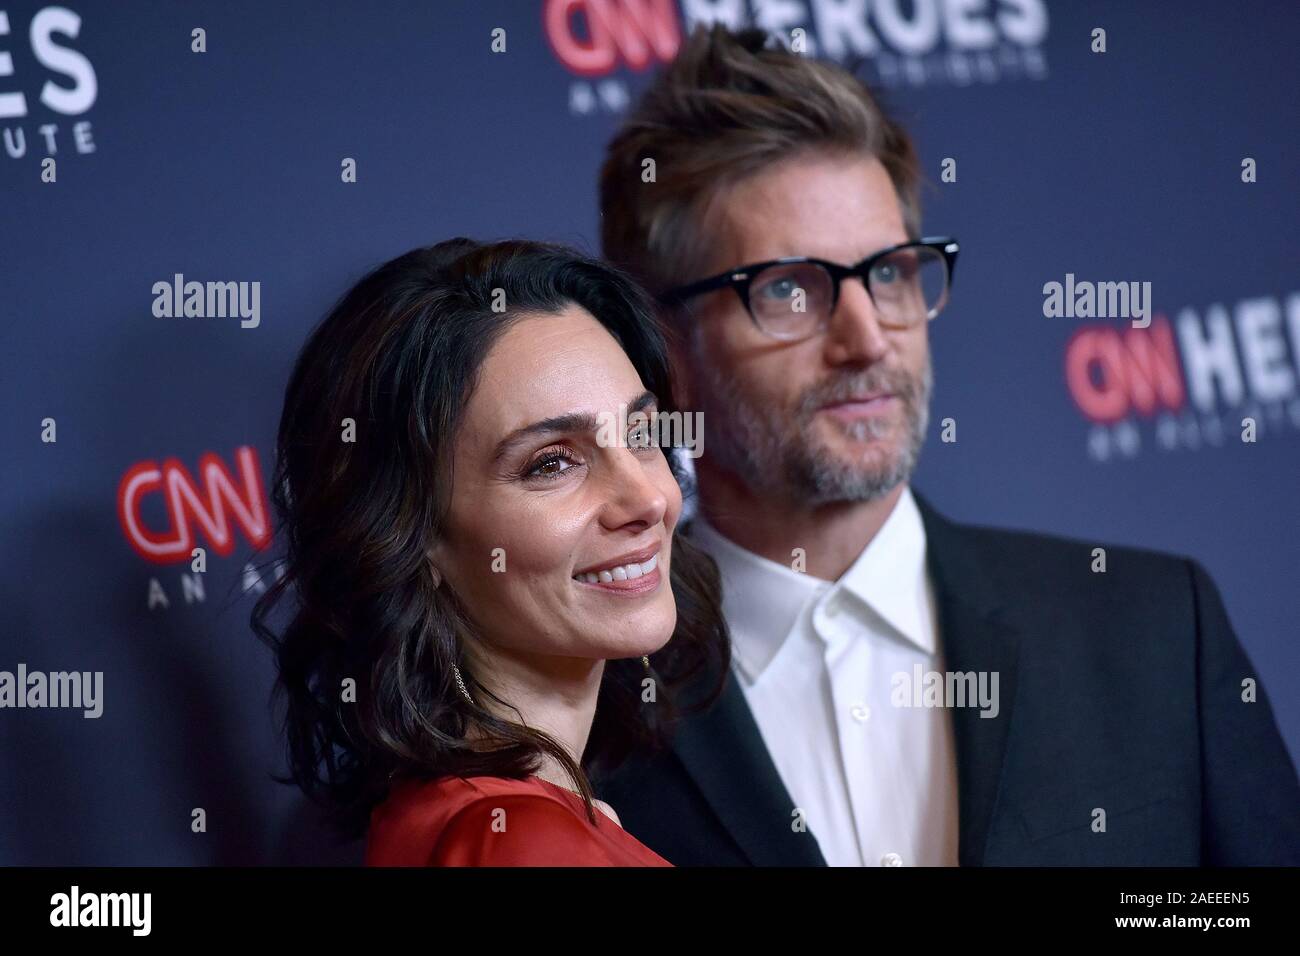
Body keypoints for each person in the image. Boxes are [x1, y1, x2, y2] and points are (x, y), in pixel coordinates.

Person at [591, 24, 1300, 866]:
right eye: (787, 288)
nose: (867, 339)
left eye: (889, 272)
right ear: (661, 349)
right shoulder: (585, 715)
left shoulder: (1152, 629)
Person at [252, 238, 730, 866]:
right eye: (553, 462)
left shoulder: (482, 819)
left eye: (641, 434)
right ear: (410, 536)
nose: (647, 498)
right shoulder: (521, 841)